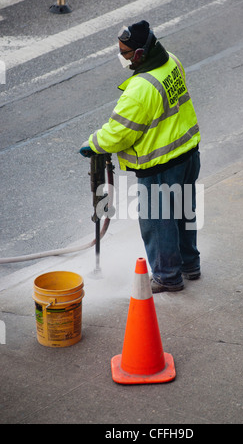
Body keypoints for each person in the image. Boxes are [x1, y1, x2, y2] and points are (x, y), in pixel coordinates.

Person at [80, 20, 201, 293]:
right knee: (184, 213)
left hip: (160, 164)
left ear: (138, 54)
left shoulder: (139, 89)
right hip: (188, 154)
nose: (121, 57)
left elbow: (118, 134)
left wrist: (93, 144)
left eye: (124, 53)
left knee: (158, 223)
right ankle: (190, 265)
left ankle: (168, 277)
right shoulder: (171, 61)